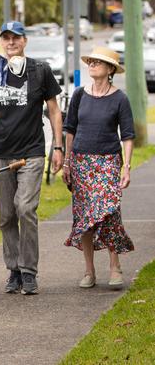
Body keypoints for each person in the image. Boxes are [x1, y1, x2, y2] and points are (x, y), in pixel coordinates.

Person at [0, 21, 63, 295]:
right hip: (2, 154)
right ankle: (13, 269)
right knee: (7, 215)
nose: (11, 42)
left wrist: (58, 146)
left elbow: (54, 110)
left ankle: (29, 271)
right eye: (6, 38)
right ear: (1, 41)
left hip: (32, 152)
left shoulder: (40, 71)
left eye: (16, 37)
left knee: (25, 208)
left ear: (25, 41)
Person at [62, 46, 134, 289]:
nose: (92, 64)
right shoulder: (80, 95)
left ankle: (115, 267)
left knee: (110, 213)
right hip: (82, 162)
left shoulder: (120, 99)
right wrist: (67, 162)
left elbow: (127, 135)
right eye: (90, 61)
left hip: (108, 162)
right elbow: (69, 129)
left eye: (98, 62)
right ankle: (89, 271)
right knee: (85, 218)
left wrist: (127, 168)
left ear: (110, 69)